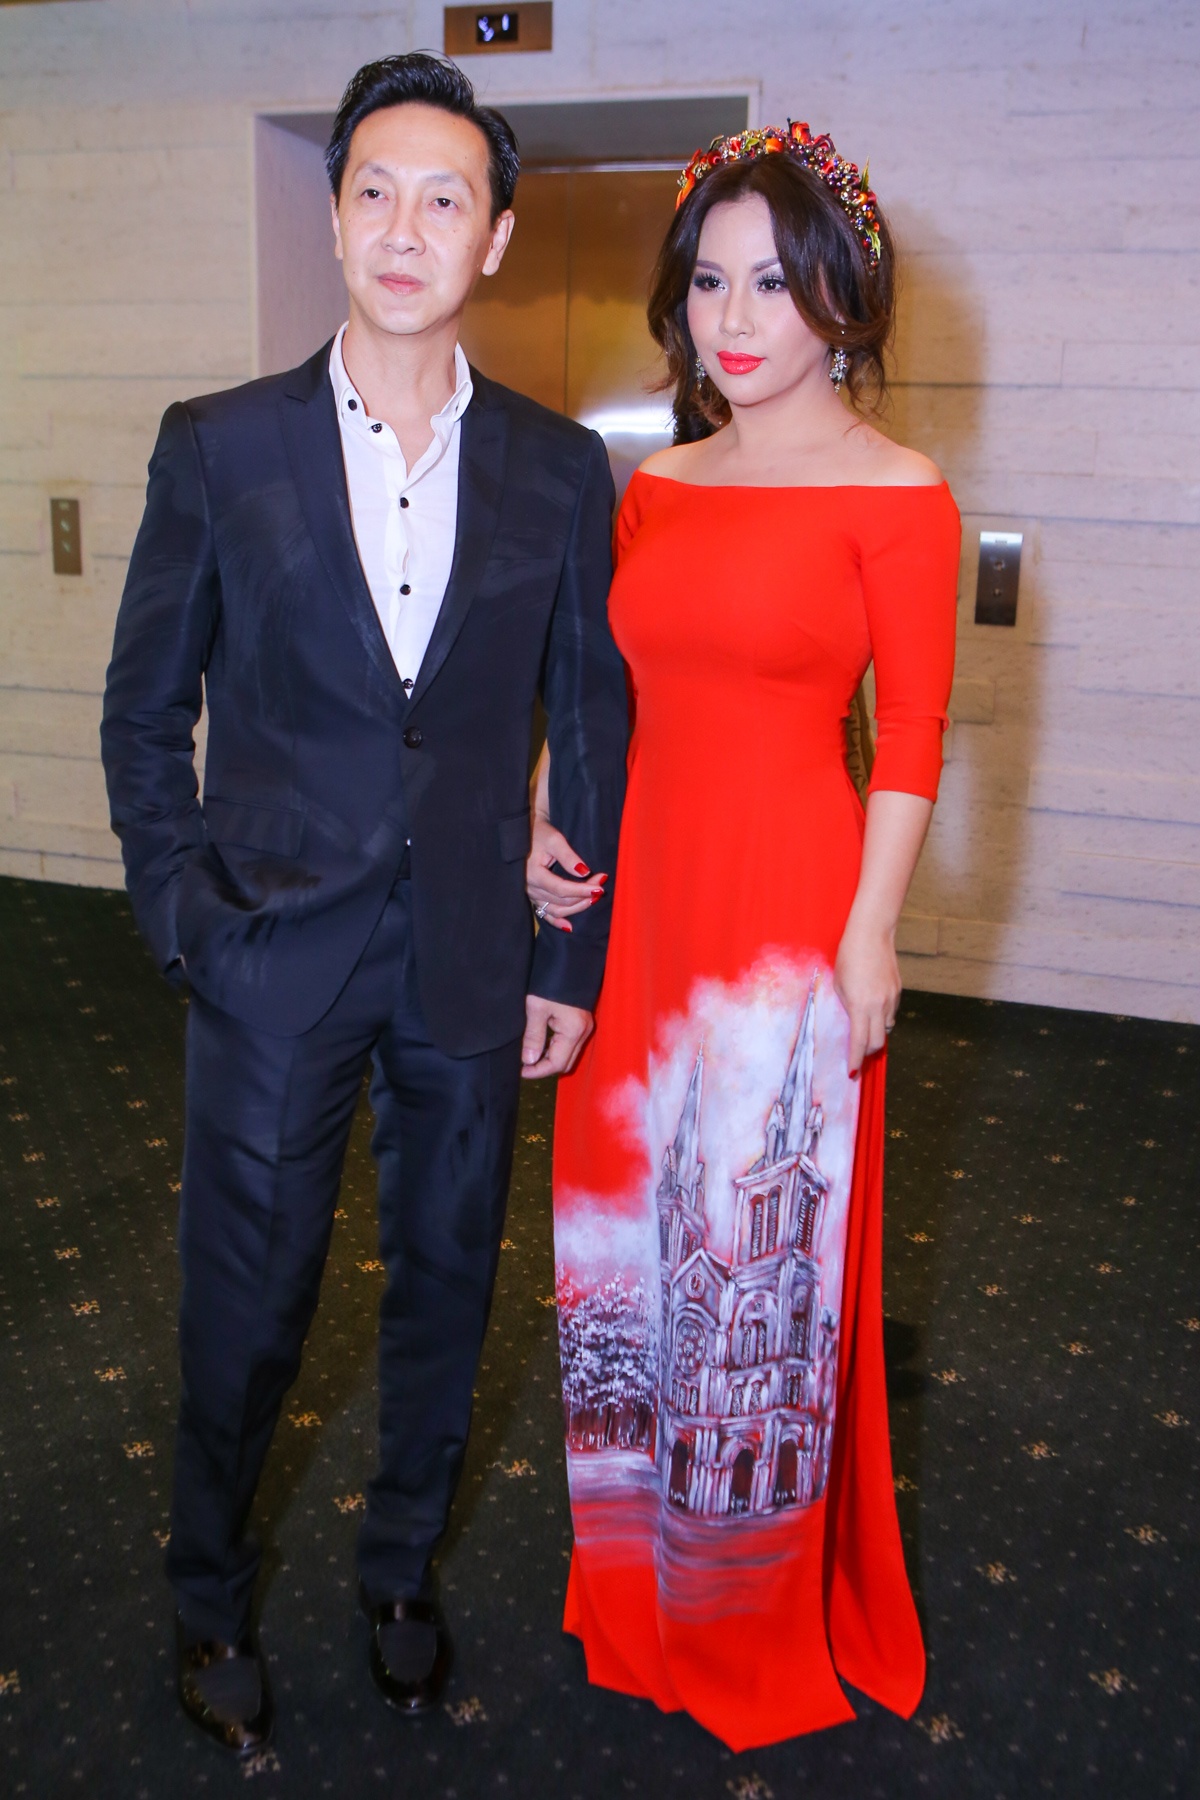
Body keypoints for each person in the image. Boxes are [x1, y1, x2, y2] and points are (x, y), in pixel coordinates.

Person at [101, 51, 627, 1758]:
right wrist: (184, 919)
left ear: (497, 237)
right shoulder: (219, 445)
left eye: (444, 198)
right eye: (375, 191)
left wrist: (568, 955)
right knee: (244, 1313)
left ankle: (401, 1572)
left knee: (444, 1299)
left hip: (472, 961)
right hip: (268, 958)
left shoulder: (560, 468)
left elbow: (587, 722)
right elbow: (141, 712)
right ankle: (209, 1591)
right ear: (334, 218)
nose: (406, 227)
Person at [527, 123, 960, 1749]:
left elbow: (910, 739)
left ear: (843, 294)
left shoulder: (902, 496)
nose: (733, 317)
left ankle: (745, 1609)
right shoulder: (659, 484)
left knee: (752, 1246)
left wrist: (874, 936)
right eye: (709, 282)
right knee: (621, 1243)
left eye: (772, 282)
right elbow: (610, 692)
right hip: (642, 907)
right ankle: (633, 1584)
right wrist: (548, 814)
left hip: (784, 926)